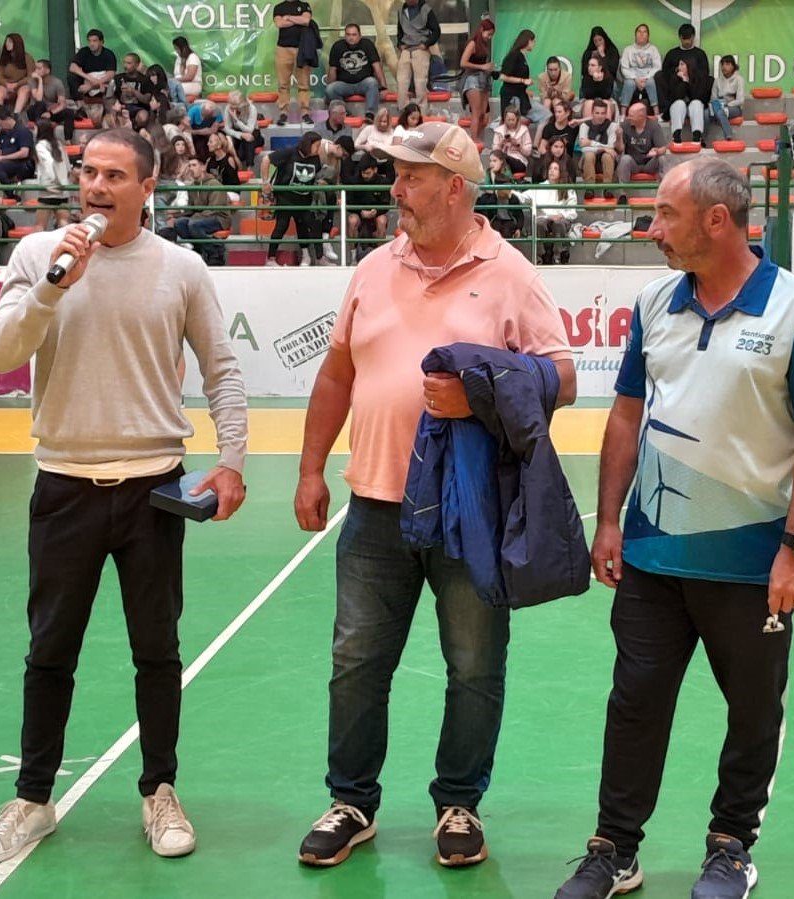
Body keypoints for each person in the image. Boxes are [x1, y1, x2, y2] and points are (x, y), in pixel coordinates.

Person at [552, 156, 794, 899]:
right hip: (653, 554)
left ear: (715, 220)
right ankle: (613, 848)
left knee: (752, 711)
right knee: (635, 702)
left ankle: (730, 846)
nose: (652, 228)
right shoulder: (654, 301)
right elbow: (627, 412)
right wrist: (608, 522)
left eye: (664, 214)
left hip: (753, 561)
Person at [292, 119, 576, 869]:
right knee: (356, 661)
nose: (395, 190)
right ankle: (351, 801)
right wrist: (308, 467)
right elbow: (336, 375)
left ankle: (459, 803)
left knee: (475, 665)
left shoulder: (508, 272)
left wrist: (480, 397)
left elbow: (563, 376)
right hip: (375, 505)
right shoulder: (372, 268)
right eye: (395, 176)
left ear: (454, 186)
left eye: (411, 177)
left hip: (469, 512)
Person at [0, 128, 247, 865]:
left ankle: (159, 790)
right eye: (88, 171)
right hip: (63, 482)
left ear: (147, 186)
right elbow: (1, 353)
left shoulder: (181, 267)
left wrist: (233, 460)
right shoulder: (37, 256)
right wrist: (54, 286)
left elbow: (220, 369)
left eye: (115, 175)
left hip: (153, 484)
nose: (95, 186)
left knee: (157, 650)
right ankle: (33, 798)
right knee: (49, 649)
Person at [261, 131, 326, 266]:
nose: (318, 149)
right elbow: (266, 160)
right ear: (308, 145)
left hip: (304, 198)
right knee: (281, 226)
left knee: (311, 224)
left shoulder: (316, 158)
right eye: (316, 145)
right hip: (286, 198)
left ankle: (318, 258)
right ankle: (271, 258)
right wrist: (265, 182)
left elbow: (317, 174)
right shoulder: (290, 153)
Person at [527, 158, 579, 264]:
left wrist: (561, 215)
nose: (552, 171)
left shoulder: (568, 189)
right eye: (550, 168)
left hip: (562, 218)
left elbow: (572, 213)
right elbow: (525, 197)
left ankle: (558, 256)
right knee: (538, 223)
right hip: (545, 217)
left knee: (558, 224)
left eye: (555, 169)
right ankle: (540, 256)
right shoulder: (540, 188)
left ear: (561, 172)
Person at [327, 23, 385, 116]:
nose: (351, 37)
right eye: (348, 34)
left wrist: (383, 87)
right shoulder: (337, 46)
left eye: (354, 35)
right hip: (345, 85)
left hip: (363, 83)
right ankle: (344, 113)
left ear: (360, 35)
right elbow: (332, 70)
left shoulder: (368, 44)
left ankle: (370, 114)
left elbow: (377, 67)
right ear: (345, 35)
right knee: (330, 89)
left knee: (372, 82)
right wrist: (328, 88)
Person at [343, 150, 391, 261]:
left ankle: (379, 257)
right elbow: (349, 202)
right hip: (359, 214)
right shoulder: (354, 181)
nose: (364, 176)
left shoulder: (383, 182)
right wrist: (361, 212)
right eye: (363, 173)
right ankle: (353, 256)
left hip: (377, 214)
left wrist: (376, 211)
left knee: (382, 220)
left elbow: (386, 204)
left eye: (368, 173)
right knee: (352, 220)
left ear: (375, 170)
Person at [273, 0, 315, 124]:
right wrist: (297, 19)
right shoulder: (279, 7)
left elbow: (306, 21)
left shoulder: (304, 5)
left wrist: (289, 17)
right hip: (283, 48)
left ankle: (305, 113)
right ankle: (283, 113)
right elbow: (279, 23)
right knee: (283, 84)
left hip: (302, 48)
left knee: (304, 83)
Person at [396, 0, 441, 112]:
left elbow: (436, 31)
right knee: (401, 81)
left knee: (420, 82)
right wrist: (400, 44)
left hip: (420, 49)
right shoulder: (401, 10)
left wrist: (426, 44)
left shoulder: (426, 10)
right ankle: (403, 110)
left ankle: (422, 111)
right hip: (406, 49)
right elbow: (400, 31)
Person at [458, 17, 497, 141]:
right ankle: (473, 139)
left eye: (491, 35)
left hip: (483, 79)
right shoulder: (473, 43)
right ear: (481, 30)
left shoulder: (483, 45)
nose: (489, 37)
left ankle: (476, 138)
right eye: (488, 34)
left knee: (483, 114)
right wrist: (482, 66)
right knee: (476, 112)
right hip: (472, 79)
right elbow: (463, 63)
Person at [617, 100, 667, 190]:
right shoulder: (625, 125)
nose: (628, 118)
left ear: (641, 117)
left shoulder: (653, 126)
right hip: (634, 163)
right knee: (625, 159)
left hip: (649, 163)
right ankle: (622, 193)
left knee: (662, 159)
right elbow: (620, 149)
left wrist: (656, 151)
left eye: (631, 116)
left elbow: (663, 148)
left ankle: (663, 190)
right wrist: (619, 137)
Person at [69, 29, 117, 118]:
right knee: (72, 76)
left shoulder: (108, 54)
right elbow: (72, 67)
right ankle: (80, 106)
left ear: (102, 42)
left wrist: (92, 85)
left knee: (113, 82)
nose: (91, 44)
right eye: (89, 41)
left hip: (102, 83)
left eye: (94, 41)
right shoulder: (84, 51)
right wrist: (91, 79)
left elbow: (111, 74)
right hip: (88, 80)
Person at [577, 101, 621, 190]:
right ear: (592, 113)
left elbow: (611, 147)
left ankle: (607, 188)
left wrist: (590, 143)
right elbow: (583, 148)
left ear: (606, 114)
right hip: (587, 162)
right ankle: (590, 189)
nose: (600, 116)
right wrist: (603, 148)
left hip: (606, 162)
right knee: (589, 154)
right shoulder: (584, 125)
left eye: (603, 113)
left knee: (607, 156)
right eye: (597, 113)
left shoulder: (612, 126)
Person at [619, 24, 662, 113]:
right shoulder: (628, 50)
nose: (641, 34)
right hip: (632, 78)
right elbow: (624, 68)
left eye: (644, 32)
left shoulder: (653, 49)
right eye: (639, 31)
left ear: (648, 35)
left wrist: (646, 78)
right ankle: (622, 114)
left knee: (651, 82)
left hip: (648, 77)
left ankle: (656, 113)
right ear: (635, 34)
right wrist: (635, 79)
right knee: (629, 83)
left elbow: (657, 67)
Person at [498, 30, 537, 123]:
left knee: (523, 120)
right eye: (533, 41)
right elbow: (503, 76)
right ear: (528, 41)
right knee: (513, 122)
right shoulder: (514, 55)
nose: (534, 44)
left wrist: (525, 88)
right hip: (511, 96)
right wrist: (523, 81)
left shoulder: (522, 56)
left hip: (521, 94)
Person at [0, 107, 35, 184]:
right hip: (5, 161)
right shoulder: (3, 133)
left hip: (21, 163)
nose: (0, 127)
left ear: (7, 119)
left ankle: (9, 188)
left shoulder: (23, 131)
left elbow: (24, 153)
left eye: (0, 124)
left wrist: (2, 158)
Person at [0, 33, 35, 113]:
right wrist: (6, 84)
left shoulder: (27, 58)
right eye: (6, 42)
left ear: (17, 44)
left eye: (10, 42)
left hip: (21, 85)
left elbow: (30, 76)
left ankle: (16, 114)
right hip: (6, 85)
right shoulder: (2, 58)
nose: (7, 44)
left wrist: (17, 84)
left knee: (24, 90)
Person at [710, 55, 744, 141]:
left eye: (727, 64)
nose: (724, 67)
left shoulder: (739, 80)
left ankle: (728, 135)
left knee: (722, 112)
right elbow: (713, 98)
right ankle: (702, 140)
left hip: (734, 107)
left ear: (733, 66)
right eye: (722, 64)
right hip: (718, 105)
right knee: (706, 113)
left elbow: (740, 100)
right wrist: (718, 104)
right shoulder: (717, 80)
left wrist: (727, 105)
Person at [490, 106, 532, 176]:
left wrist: (518, 145)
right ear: (505, 119)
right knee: (500, 160)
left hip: (519, 161)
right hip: (501, 160)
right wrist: (501, 144)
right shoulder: (499, 131)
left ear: (517, 119)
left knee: (504, 160)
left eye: (513, 120)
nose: (510, 122)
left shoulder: (524, 130)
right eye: (508, 120)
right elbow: (494, 152)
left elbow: (528, 152)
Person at [580, 54, 618, 123]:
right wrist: (595, 81)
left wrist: (600, 81)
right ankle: (588, 129)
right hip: (589, 100)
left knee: (605, 103)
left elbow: (606, 96)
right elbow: (588, 96)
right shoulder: (586, 78)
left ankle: (605, 130)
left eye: (593, 65)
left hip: (606, 100)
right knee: (589, 103)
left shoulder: (608, 78)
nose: (589, 67)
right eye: (589, 65)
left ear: (600, 67)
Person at [172, 36, 202, 102]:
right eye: (175, 49)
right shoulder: (179, 58)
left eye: (177, 49)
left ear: (182, 48)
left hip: (193, 84)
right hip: (180, 83)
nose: (176, 51)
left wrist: (174, 80)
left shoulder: (193, 57)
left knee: (173, 88)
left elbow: (190, 77)